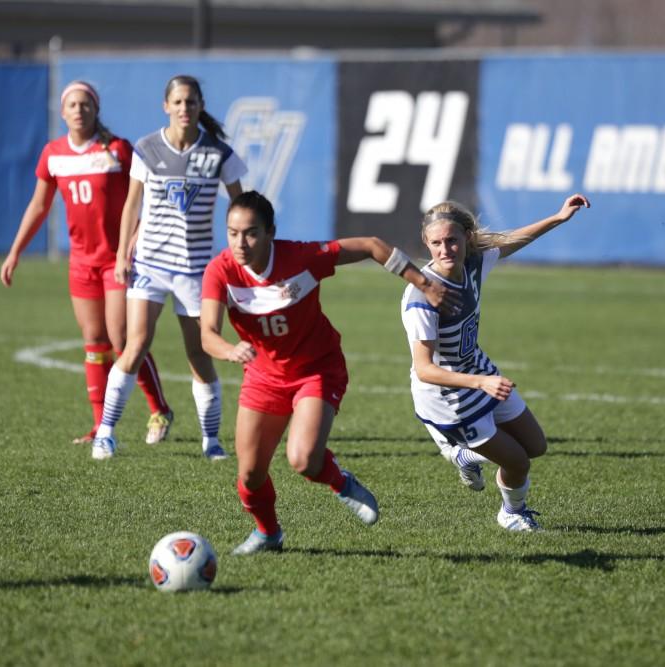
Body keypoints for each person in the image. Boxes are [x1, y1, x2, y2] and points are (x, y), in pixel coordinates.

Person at [200, 190, 458, 555]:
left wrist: (423, 282)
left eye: (251, 232)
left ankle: (340, 482)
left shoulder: (303, 257)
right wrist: (229, 350)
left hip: (316, 369)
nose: (241, 243)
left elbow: (371, 245)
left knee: (303, 460)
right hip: (263, 377)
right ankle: (268, 533)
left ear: (271, 232)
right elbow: (207, 335)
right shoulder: (221, 271)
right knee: (250, 474)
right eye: (233, 233)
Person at [400, 194, 590, 532]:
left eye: (452, 241)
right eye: (436, 243)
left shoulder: (473, 262)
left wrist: (558, 217)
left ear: (467, 239)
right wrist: (481, 383)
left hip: (477, 369)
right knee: (516, 460)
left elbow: (510, 240)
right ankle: (511, 513)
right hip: (448, 394)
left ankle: (465, 455)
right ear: (426, 243)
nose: (445, 250)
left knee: (535, 446)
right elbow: (425, 369)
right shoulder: (422, 299)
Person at [0, 81, 172, 445]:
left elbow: (144, 199)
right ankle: (100, 428)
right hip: (81, 264)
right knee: (94, 343)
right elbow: (39, 205)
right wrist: (16, 251)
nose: (79, 110)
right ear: (62, 113)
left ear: (96, 109)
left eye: (85, 104)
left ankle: (159, 410)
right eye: (72, 105)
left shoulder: (118, 150)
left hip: (117, 260)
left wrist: (133, 243)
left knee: (123, 340)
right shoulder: (53, 153)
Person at [91, 74, 246, 461]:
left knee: (199, 354)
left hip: (197, 270)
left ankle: (211, 441)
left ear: (200, 106)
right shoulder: (146, 149)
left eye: (191, 102)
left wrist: (238, 253)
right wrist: (123, 255)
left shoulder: (219, 154)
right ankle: (105, 433)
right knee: (135, 344)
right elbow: (132, 206)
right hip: (151, 263)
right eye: (177, 102)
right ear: (166, 106)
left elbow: (240, 207)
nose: (184, 108)